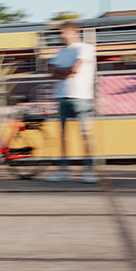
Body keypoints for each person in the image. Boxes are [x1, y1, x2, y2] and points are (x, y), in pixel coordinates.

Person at [45, 21, 98, 183]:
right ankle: (63, 170)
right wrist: (65, 72)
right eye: (61, 32)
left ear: (76, 32)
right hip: (62, 96)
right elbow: (51, 73)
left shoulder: (85, 48)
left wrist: (63, 71)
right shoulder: (59, 52)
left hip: (82, 97)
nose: (62, 35)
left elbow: (73, 70)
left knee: (85, 135)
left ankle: (89, 171)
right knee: (62, 136)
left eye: (65, 31)